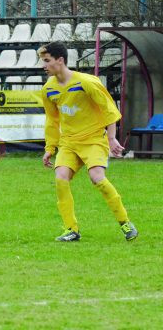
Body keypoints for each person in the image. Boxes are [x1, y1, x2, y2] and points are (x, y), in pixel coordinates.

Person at [38, 41, 138, 242]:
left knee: (97, 177)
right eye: (43, 61)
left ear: (60, 60)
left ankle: (125, 223)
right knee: (61, 178)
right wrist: (50, 147)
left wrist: (111, 138)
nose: (43, 65)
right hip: (68, 142)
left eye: (47, 61)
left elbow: (109, 110)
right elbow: (52, 120)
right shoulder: (48, 89)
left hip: (93, 139)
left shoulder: (87, 82)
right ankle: (71, 230)